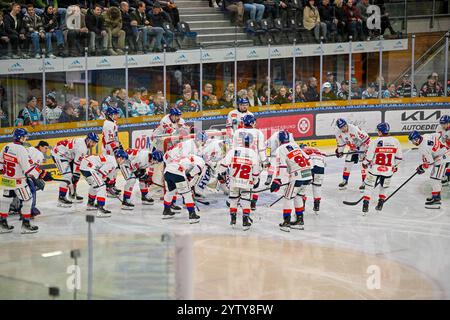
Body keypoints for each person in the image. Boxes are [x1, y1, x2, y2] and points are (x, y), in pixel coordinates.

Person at [0, 129, 50, 234]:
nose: (26, 138)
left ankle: (2, 223)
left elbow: (0, 165)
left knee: (6, 200)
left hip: (6, 180)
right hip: (18, 182)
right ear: (21, 137)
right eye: (25, 137)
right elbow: (28, 169)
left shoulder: (6, 147)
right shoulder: (21, 149)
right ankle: (26, 225)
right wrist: (42, 173)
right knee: (27, 200)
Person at [270, 130, 312, 232]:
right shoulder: (295, 145)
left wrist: (277, 179)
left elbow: (282, 165)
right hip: (308, 174)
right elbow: (308, 158)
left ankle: (286, 222)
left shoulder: (280, 149)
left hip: (297, 176)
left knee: (287, 197)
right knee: (298, 196)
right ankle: (299, 220)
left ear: (279, 140)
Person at [218, 133, 260, 230]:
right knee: (246, 201)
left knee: (233, 200)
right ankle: (245, 222)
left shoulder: (233, 151)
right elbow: (256, 172)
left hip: (234, 181)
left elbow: (223, 165)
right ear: (251, 142)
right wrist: (255, 180)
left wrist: (221, 173)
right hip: (246, 183)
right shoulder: (253, 153)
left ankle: (233, 220)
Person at [361, 122, 402, 214]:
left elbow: (369, 156)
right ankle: (380, 204)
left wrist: (365, 163)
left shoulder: (375, 141)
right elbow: (399, 158)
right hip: (388, 171)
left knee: (368, 187)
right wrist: (394, 166)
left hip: (375, 169)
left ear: (380, 131)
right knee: (384, 188)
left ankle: (365, 205)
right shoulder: (395, 141)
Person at [51, 132, 99, 207]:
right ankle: (61, 197)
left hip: (67, 155)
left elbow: (77, 163)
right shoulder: (82, 148)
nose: (93, 145)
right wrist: (76, 175)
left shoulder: (83, 142)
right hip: (58, 155)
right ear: (88, 140)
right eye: (92, 142)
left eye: (95, 143)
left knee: (74, 176)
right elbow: (77, 165)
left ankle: (72, 194)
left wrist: (76, 175)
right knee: (68, 176)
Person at [8, 140, 52, 218]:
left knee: (18, 190)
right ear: (40, 146)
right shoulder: (39, 154)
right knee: (32, 190)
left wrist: (41, 173)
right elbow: (32, 168)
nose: (46, 150)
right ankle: (30, 210)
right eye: (45, 148)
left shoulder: (30, 148)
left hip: (15, 173)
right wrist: (42, 174)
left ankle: (14, 207)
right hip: (25, 174)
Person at [232, 114, 267, 210]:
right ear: (252, 123)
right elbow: (261, 149)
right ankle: (253, 203)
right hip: (254, 160)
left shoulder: (237, 132)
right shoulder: (258, 132)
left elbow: (234, 148)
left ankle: (238, 200)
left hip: (240, 161)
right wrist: (265, 161)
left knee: (240, 182)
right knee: (255, 182)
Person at [408, 130, 450, 209]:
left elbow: (429, 163)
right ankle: (435, 196)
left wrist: (421, 168)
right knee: (434, 178)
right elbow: (439, 135)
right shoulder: (426, 135)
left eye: (413, 141)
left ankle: (436, 200)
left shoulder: (423, 148)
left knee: (435, 179)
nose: (412, 142)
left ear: (416, 139)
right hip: (445, 153)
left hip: (442, 158)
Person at [80, 150, 127, 217]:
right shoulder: (113, 163)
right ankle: (100, 209)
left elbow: (101, 174)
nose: (124, 162)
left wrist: (105, 180)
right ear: (120, 158)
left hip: (85, 166)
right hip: (89, 168)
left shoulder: (111, 159)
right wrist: (105, 182)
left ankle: (90, 204)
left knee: (95, 185)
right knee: (101, 186)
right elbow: (100, 173)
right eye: (124, 159)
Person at [162, 153, 204, 222]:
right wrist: (190, 177)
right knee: (187, 194)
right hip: (178, 172)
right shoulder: (201, 160)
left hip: (167, 171)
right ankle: (192, 215)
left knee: (170, 192)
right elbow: (197, 169)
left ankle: (166, 211)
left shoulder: (185, 156)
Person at [335, 118, 370, 191]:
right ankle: (345, 180)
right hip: (353, 147)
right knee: (348, 161)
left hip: (362, 146)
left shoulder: (354, 129)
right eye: (341, 127)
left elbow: (366, 139)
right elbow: (341, 144)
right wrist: (339, 152)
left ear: (346, 124)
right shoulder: (338, 133)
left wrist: (368, 150)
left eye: (344, 126)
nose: (343, 128)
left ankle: (364, 182)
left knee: (362, 162)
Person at [102, 106, 123, 198]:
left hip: (113, 147)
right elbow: (109, 140)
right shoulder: (108, 124)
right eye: (115, 114)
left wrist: (119, 145)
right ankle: (108, 188)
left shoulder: (112, 122)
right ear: (110, 115)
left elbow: (115, 137)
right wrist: (115, 149)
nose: (117, 115)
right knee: (111, 167)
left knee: (115, 168)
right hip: (109, 149)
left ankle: (112, 185)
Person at [300, 144, 326, 212]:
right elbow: (325, 163)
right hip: (320, 167)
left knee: (302, 186)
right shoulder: (318, 150)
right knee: (317, 186)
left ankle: (301, 205)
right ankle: (317, 205)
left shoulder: (301, 150)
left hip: (309, 167)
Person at [436, 115, 450, 186]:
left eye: (444, 124)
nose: (442, 125)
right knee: (443, 161)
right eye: (441, 124)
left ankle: (446, 177)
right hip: (446, 147)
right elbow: (437, 139)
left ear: (448, 123)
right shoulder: (439, 128)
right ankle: (445, 177)